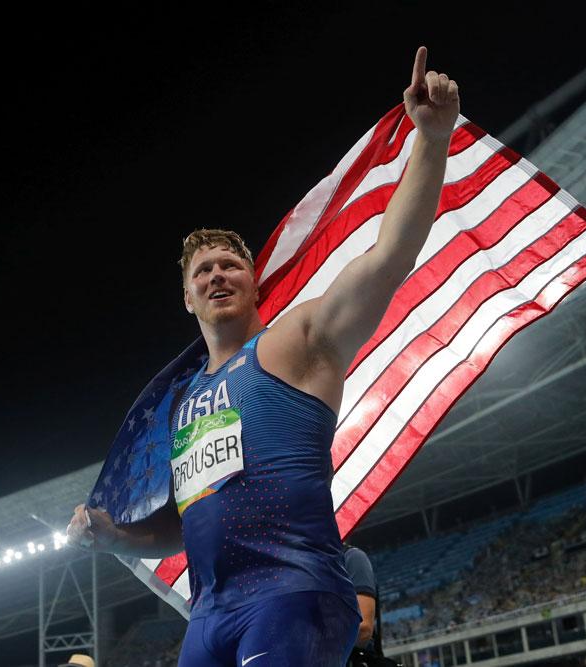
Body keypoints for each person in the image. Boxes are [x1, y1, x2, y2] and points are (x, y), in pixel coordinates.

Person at [68, 46, 459, 667]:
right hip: (210, 616)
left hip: (294, 593)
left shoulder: (294, 342)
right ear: (187, 298)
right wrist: (115, 537)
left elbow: (389, 257)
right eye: (202, 272)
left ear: (253, 282)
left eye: (230, 265)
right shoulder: (183, 404)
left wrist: (431, 139)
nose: (216, 275)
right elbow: (180, 526)